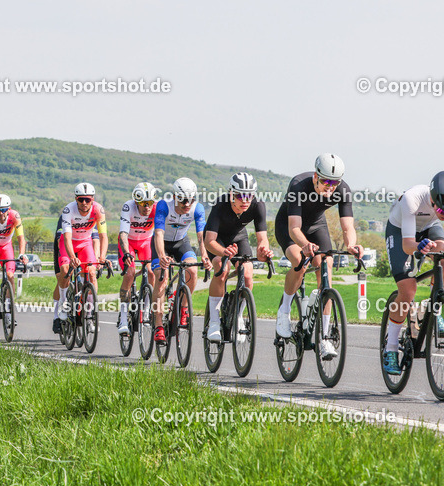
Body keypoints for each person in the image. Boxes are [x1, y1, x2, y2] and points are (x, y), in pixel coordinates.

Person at [382, 171, 444, 374]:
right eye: (440, 209)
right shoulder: (413, 199)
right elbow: (408, 245)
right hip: (401, 230)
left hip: (429, 226)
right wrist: (420, 246)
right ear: (432, 198)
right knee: (408, 290)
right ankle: (390, 348)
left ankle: (434, 312)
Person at [274, 154, 362, 359]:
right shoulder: (298, 185)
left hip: (316, 226)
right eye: (326, 182)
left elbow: (347, 226)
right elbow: (294, 227)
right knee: (299, 261)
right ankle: (284, 312)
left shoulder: (342, 189)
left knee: (326, 265)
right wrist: (304, 245)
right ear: (315, 177)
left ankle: (324, 338)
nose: (330, 187)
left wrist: (351, 245)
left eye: (335, 183)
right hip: (290, 227)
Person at [203, 173, 272, 343]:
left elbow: (262, 238)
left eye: (249, 195)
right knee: (221, 267)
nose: (245, 200)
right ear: (231, 193)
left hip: (238, 238)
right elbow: (209, 241)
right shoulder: (220, 205)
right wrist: (224, 252)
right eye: (240, 195)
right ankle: (213, 321)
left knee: (247, 272)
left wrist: (264, 250)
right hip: (216, 239)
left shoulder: (258, 206)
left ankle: (239, 316)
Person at [150, 178, 208, 343]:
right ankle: (159, 326)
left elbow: (200, 235)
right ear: (175, 196)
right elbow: (159, 233)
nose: (187, 203)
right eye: (183, 200)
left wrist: (204, 255)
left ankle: (183, 308)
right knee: (162, 276)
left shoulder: (197, 209)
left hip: (181, 243)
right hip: (161, 244)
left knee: (192, 270)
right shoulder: (163, 206)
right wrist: (161, 255)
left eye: (191, 199)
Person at [52, 183, 107, 334]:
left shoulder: (98, 210)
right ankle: (63, 303)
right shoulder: (69, 210)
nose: (84, 203)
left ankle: (89, 315)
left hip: (85, 243)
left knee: (91, 272)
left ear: (92, 199)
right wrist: (71, 257)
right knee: (65, 271)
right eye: (81, 199)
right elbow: (67, 238)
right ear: (76, 199)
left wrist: (102, 256)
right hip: (68, 242)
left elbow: (103, 236)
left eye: (87, 200)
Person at [117, 182, 159, 336]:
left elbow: (161, 232)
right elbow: (123, 234)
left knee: (152, 272)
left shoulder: (157, 208)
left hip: (146, 242)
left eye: (150, 203)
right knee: (129, 274)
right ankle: (123, 319)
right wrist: (127, 253)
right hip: (129, 242)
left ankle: (146, 310)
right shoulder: (128, 207)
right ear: (136, 202)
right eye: (143, 204)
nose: (147, 207)